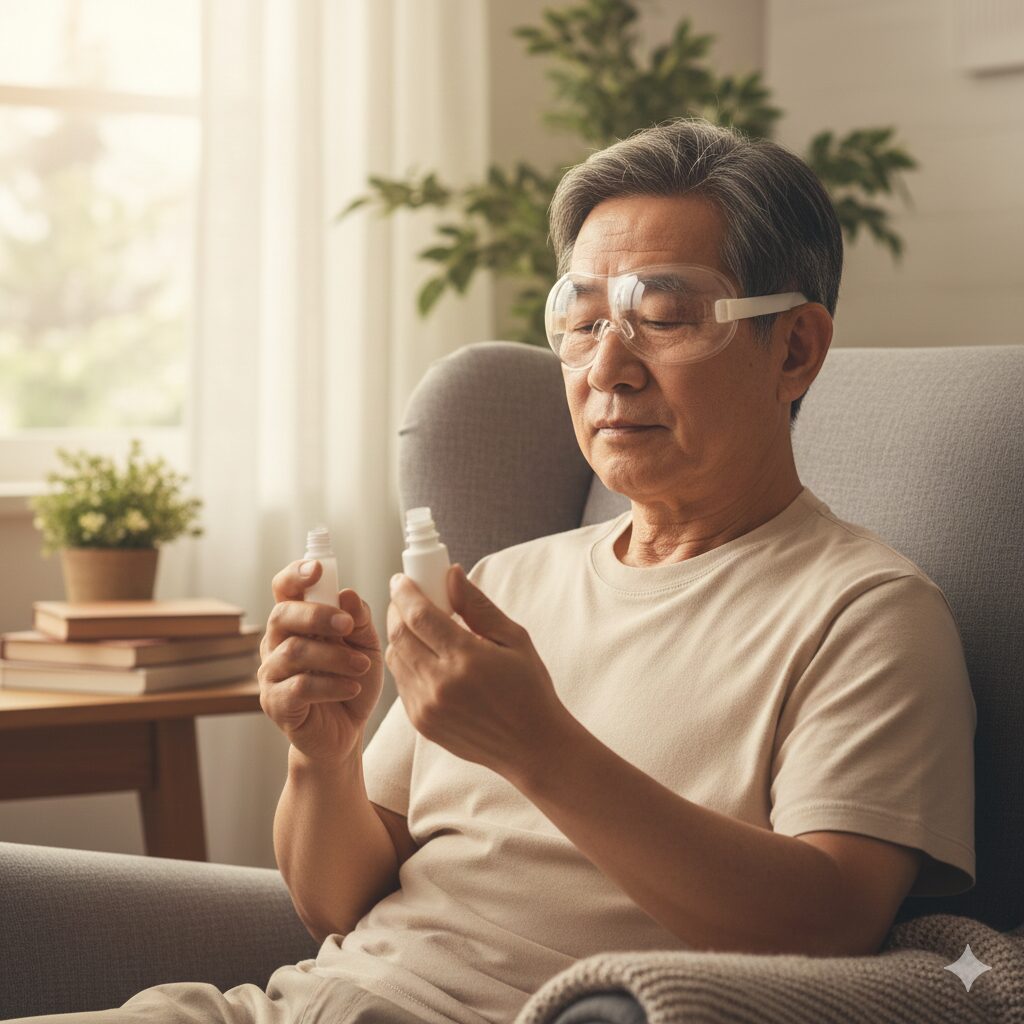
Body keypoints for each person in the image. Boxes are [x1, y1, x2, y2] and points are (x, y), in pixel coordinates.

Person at [13, 116, 976, 1024]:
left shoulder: (865, 613)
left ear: (796, 348)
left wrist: (538, 746)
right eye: (583, 317)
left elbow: (833, 927)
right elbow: (337, 903)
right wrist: (324, 756)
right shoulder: (506, 586)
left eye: (666, 317)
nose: (608, 367)